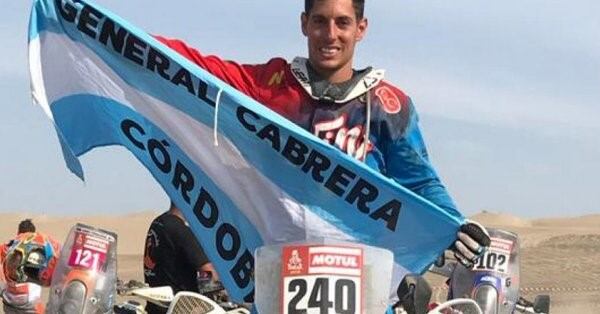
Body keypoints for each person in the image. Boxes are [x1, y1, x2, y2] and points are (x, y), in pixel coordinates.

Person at [155, 0, 490, 269]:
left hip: (362, 282)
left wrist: (455, 224)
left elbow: (419, 181)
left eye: (342, 22)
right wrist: (117, 35)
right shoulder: (270, 85)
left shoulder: (389, 105)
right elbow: (196, 66)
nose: (330, 34)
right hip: (279, 277)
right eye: (320, 21)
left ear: (361, 28)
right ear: (304, 24)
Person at [144, 202, 219, 314]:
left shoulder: (158, 222)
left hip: (156, 307)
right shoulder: (179, 229)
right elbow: (208, 270)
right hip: (182, 308)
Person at [0, 219, 60, 314]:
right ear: (33, 232)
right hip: (29, 300)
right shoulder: (41, 240)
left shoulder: (12, 244)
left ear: (18, 232)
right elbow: (57, 253)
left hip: (9, 299)